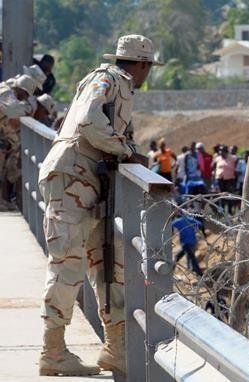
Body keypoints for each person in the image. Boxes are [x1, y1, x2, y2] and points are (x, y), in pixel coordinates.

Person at [36, 34, 159, 376]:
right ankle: (53, 351)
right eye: (148, 67)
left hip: (90, 185)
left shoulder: (116, 84)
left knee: (106, 265)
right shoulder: (108, 79)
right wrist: (125, 150)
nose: (147, 73)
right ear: (142, 65)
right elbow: (91, 122)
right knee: (68, 264)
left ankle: (115, 348)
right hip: (72, 180)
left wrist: (124, 148)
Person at [0, 75, 37, 202]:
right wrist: (28, 108)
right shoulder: (6, 93)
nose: (25, 98)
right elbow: (13, 111)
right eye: (26, 95)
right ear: (21, 89)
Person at [172, 212, 204, 276]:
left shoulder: (178, 221)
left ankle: (200, 273)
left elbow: (169, 225)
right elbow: (200, 224)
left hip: (185, 242)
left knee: (191, 257)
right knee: (183, 256)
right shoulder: (189, 219)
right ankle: (192, 269)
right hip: (193, 241)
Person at [213, 145, 238, 213]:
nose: (220, 152)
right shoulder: (217, 158)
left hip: (229, 180)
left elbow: (237, 167)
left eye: (222, 150)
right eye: (219, 150)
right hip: (220, 180)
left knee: (229, 196)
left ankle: (230, 211)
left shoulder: (233, 158)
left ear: (226, 151)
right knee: (221, 196)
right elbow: (213, 167)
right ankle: (222, 212)